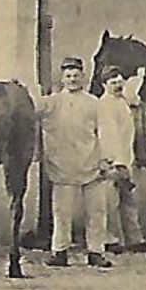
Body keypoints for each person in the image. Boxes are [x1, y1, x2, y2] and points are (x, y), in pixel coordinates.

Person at [36, 56, 112, 269]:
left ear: (83, 77)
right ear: (62, 78)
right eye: (68, 76)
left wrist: (106, 160)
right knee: (62, 212)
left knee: (97, 211)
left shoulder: (94, 103)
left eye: (76, 76)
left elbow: (105, 133)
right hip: (62, 165)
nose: (72, 80)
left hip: (91, 163)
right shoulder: (51, 102)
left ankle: (96, 252)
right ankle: (60, 251)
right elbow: (30, 109)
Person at [95, 65, 146, 254]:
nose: (117, 86)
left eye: (119, 82)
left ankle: (134, 239)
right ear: (104, 85)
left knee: (129, 200)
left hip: (127, 157)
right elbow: (109, 136)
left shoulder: (123, 102)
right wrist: (117, 162)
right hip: (112, 159)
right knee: (111, 202)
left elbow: (135, 91)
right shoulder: (104, 105)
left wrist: (139, 75)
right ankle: (111, 239)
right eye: (113, 82)